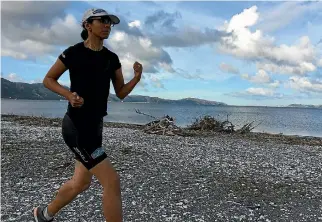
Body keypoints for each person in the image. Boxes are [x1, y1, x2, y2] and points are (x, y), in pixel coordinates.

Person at [33, 8, 143, 222]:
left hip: (95, 127)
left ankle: (44, 214)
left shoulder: (111, 58)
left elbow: (120, 92)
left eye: (110, 22)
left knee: (81, 183)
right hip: (76, 127)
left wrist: (137, 77)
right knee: (112, 181)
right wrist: (68, 95)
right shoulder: (73, 53)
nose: (107, 25)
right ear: (87, 25)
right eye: (102, 21)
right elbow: (48, 79)